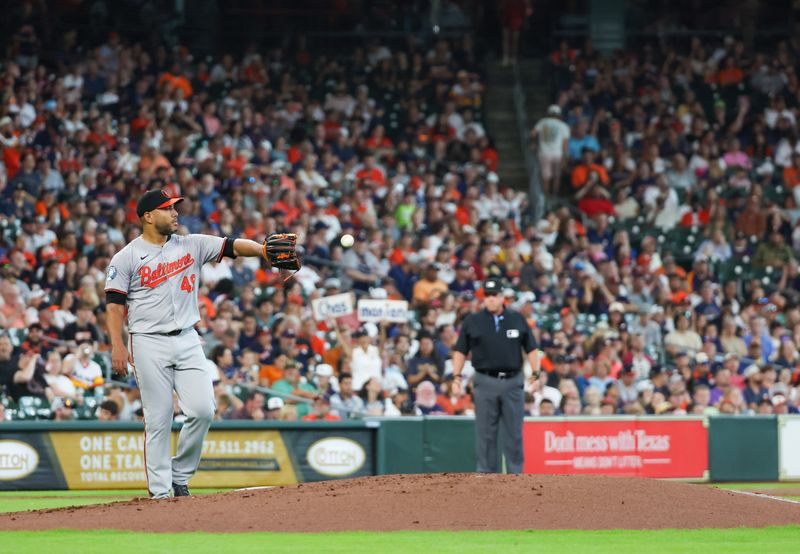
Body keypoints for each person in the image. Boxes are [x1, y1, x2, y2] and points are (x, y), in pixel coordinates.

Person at [105, 189, 287, 499]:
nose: (175, 213)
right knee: (159, 418)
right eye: (167, 209)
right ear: (148, 216)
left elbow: (231, 246)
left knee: (203, 410)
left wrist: (262, 250)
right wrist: (117, 345)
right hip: (147, 340)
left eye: (175, 208)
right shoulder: (127, 257)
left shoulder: (192, 244)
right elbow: (112, 305)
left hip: (188, 336)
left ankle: (179, 475)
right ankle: (161, 494)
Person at [451, 278, 540, 473]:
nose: (490, 299)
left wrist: (535, 373)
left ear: (502, 297)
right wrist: (456, 377)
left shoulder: (517, 319)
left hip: (512, 381)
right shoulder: (473, 321)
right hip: (485, 380)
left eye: (494, 295)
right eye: (487, 296)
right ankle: (486, 477)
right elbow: (460, 350)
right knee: (485, 432)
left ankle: (516, 475)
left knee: (514, 432)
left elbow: (531, 348)